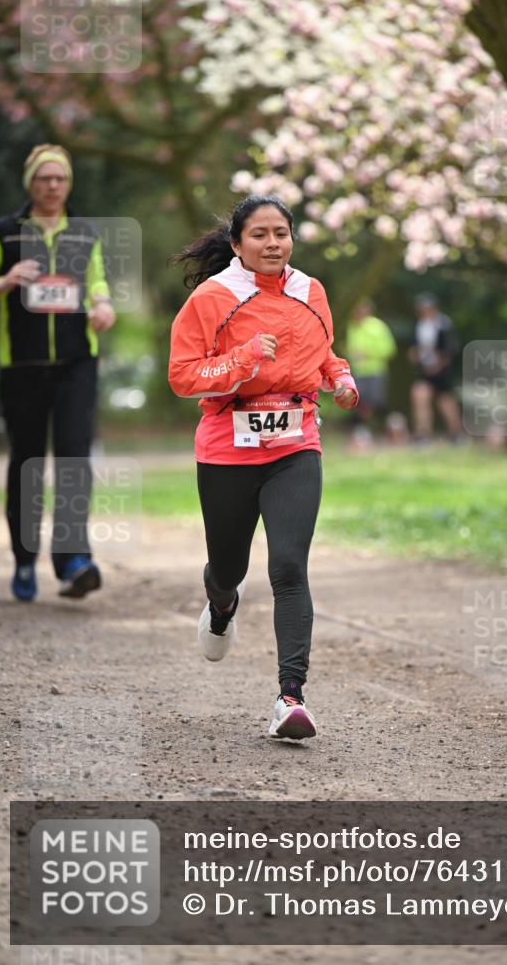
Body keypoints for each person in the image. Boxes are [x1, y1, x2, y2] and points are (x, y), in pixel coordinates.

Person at [168, 195, 357, 741]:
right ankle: (222, 603)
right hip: (228, 446)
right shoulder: (214, 297)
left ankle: (290, 698)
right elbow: (183, 376)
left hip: (295, 444)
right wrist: (244, 356)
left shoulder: (310, 291)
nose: (273, 243)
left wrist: (339, 379)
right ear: (237, 244)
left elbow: (323, 354)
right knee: (227, 567)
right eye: (260, 235)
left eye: (282, 233)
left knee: (289, 567)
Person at [0, 144, 116, 602]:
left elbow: (98, 281)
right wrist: (2, 283)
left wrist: (102, 303)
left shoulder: (84, 233)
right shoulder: (3, 232)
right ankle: (25, 560)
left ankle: (73, 562)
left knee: (72, 459)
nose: (52, 186)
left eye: (59, 178)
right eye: (43, 178)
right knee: (26, 462)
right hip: (22, 366)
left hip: (76, 363)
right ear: (30, 184)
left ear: (68, 184)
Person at [408, 293, 464, 442]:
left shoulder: (444, 324)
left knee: (445, 402)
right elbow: (417, 347)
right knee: (419, 397)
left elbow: (450, 350)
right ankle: (422, 434)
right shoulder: (419, 325)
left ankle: (456, 433)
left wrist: (439, 365)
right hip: (425, 370)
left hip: (442, 371)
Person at [345, 299, 397, 447]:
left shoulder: (377, 326)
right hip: (359, 372)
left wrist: (367, 354)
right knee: (360, 403)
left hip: (375, 371)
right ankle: (361, 433)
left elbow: (389, 350)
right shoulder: (353, 326)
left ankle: (395, 427)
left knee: (377, 403)